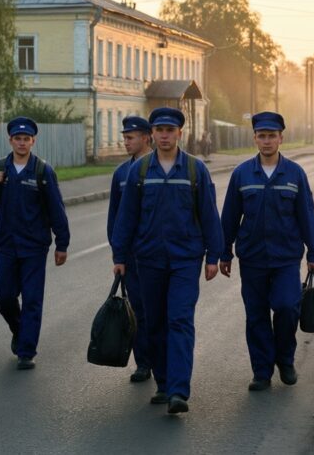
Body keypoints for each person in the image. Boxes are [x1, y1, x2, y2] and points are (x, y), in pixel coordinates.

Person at [111, 107, 224, 414]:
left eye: (169, 130)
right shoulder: (140, 171)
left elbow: (209, 215)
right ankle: (163, 382)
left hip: (186, 259)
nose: (164, 135)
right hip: (148, 260)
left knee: (180, 320)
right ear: (153, 134)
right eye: (159, 130)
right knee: (155, 323)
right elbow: (127, 217)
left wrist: (214, 255)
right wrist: (120, 255)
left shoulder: (194, 170)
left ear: (179, 134)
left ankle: (178, 390)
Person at [220, 112, 314, 392]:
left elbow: (306, 214)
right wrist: (224, 252)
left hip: (286, 257)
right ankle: (262, 371)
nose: (266, 141)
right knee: (255, 316)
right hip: (252, 258)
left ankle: (285, 360)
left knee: (288, 307)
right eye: (261, 136)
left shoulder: (294, 173)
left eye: (272, 136)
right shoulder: (242, 173)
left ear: (281, 138)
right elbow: (230, 215)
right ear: (254, 137)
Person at [0, 117, 70, 370]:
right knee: (4, 296)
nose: (22, 142)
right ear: (10, 140)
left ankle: (26, 351)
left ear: (33, 141)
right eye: (17, 138)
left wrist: (62, 243)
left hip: (34, 247)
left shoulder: (42, 171)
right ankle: (19, 330)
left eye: (26, 139)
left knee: (32, 299)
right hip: (5, 245)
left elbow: (56, 209)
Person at [106, 115, 154, 383]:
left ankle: (161, 361)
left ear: (146, 137)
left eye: (130, 137)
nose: (125, 141)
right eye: (124, 137)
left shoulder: (160, 167)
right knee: (136, 310)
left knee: (156, 310)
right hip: (132, 255)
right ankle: (143, 363)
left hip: (157, 252)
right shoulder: (121, 173)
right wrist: (118, 254)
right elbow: (115, 217)